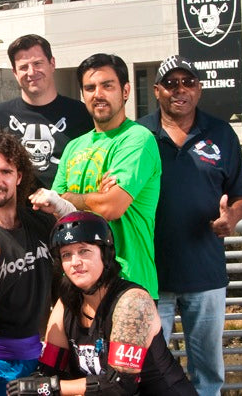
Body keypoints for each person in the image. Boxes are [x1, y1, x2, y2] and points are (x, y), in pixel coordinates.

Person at [137, 54, 242, 395]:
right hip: (150, 279)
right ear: (156, 90)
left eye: (188, 82)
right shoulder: (139, 135)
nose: (180, 90)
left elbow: (241, 194)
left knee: (208, 376)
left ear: (199, 89)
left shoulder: (221, 133)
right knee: (147, 372)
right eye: (171, 83)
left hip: (205, 277)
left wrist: (231, 217)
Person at [6, 211, 197, 396]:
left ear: (105, 255)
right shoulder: (66, 303)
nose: (75, 262)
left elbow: (120, 385)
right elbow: (48, 370)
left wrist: (52, 388)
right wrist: (34, 386)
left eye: (84, 251)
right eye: (66, 255)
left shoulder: (133, 302)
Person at [0, 132, 76, 395]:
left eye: (5, 171)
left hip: (41, 354)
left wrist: (65, 210)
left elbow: (85, 248)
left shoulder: (38, 221)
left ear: (19, 177)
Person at [48, 53, 161, 299]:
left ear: (126, 91)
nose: (98, 94)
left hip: (128, 286)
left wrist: (70, 198)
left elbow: (111, 207)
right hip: (79, 288)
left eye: (107, 85)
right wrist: (95, 196)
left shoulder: (138, 139)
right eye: (90, 88)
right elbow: (56, 211)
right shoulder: (74, 146)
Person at [0, 34, 93, 188]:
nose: (31, 72)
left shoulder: (83, 116)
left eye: (38, 63)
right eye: (23, 67)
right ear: (15, 73)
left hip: (68, 209)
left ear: (52, 64)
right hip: (13, 211)